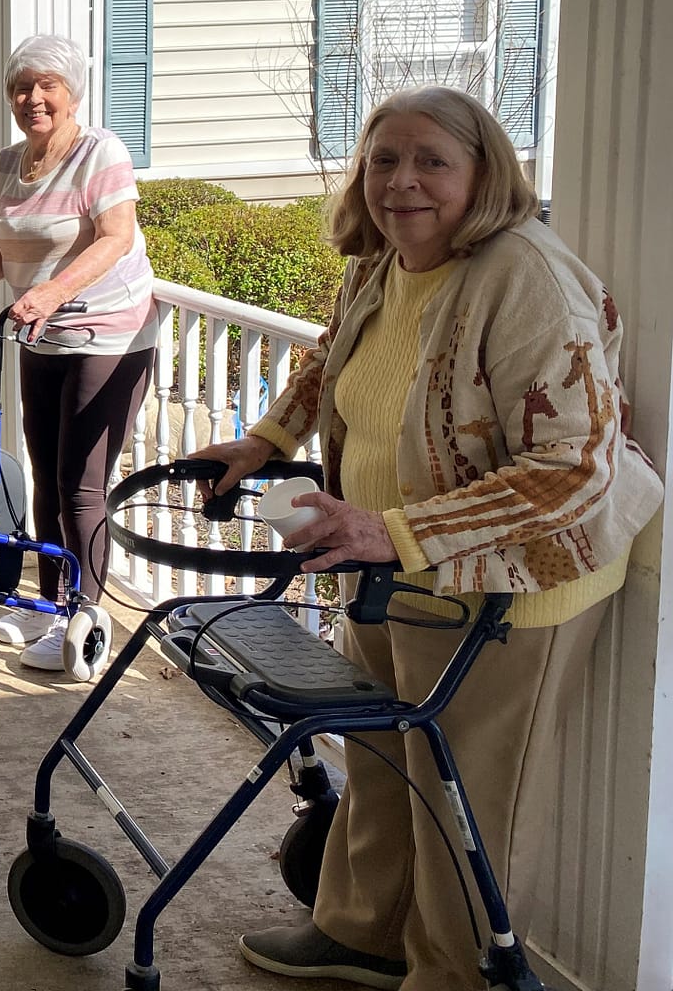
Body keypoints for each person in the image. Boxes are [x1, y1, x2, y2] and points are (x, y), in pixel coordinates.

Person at [195, 87, 660, 991]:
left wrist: (391, 531)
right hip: (382, 562)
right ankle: (361, 933)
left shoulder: (527, 276)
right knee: (377, 759)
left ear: (483, 174)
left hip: (509, 587)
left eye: (432, 162)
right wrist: (267, 441)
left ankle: (451, 976)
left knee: (464, 803)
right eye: (383, 160)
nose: (401, 182)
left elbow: (574, 467)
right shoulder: (383, 259)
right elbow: (334, 357)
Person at [0, 35, 157, 672]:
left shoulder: (99, 152)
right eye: (21, 87)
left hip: (111, 332)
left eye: (46, 86)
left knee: (80, 483)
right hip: (41, 328)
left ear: (72, 92)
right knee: (45, 471)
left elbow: (115, 238)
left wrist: (54, 290)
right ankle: (51, 603)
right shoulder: (7, 163)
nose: (33, 99)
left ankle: (86, 616)